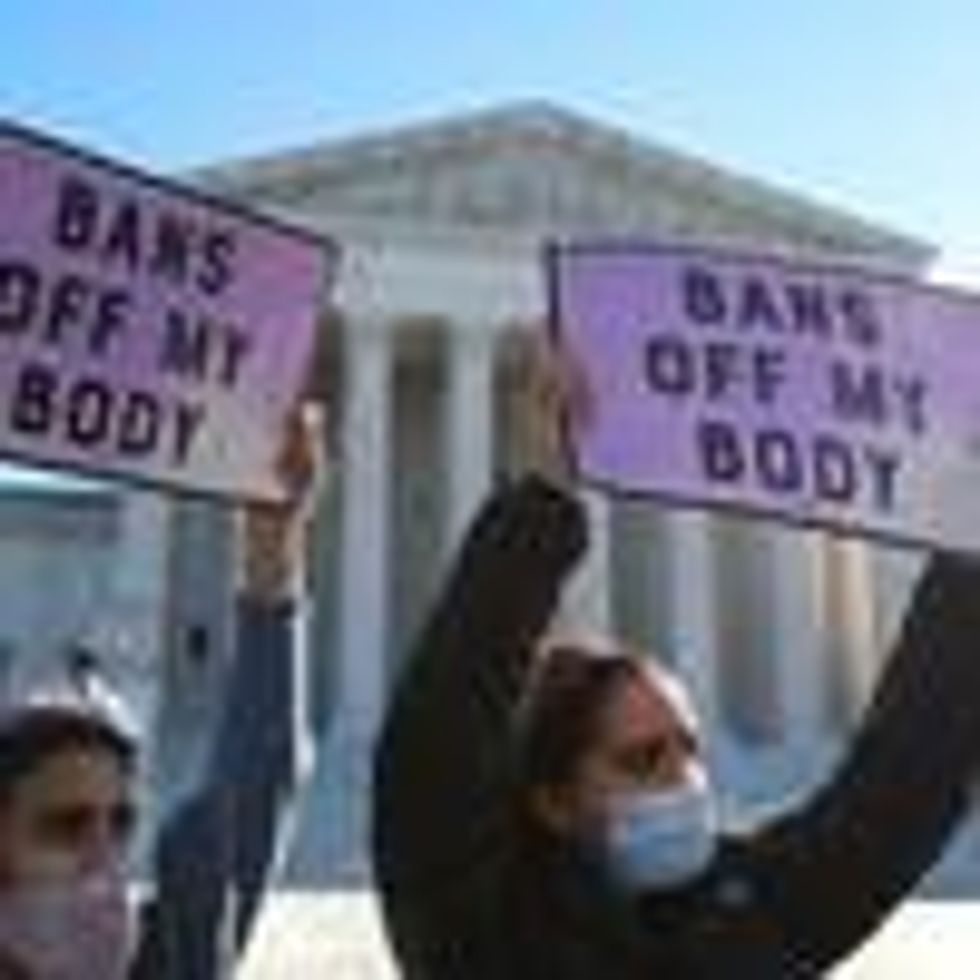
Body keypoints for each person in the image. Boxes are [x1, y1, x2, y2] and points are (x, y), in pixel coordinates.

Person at [372, 340, 980, 979]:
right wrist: (544, 498)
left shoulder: (755, 904)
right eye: (643, 759)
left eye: (689, 748)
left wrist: (969, 547)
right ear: (553, 801)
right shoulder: (488, 935)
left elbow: (904, 783)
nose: (684, 781)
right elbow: (433, 742)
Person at [0, 404, 324, 980]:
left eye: (122, 823)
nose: (103, 861)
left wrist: (273, 543)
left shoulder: (167, 956)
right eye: (65, 827)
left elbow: (256, 782)